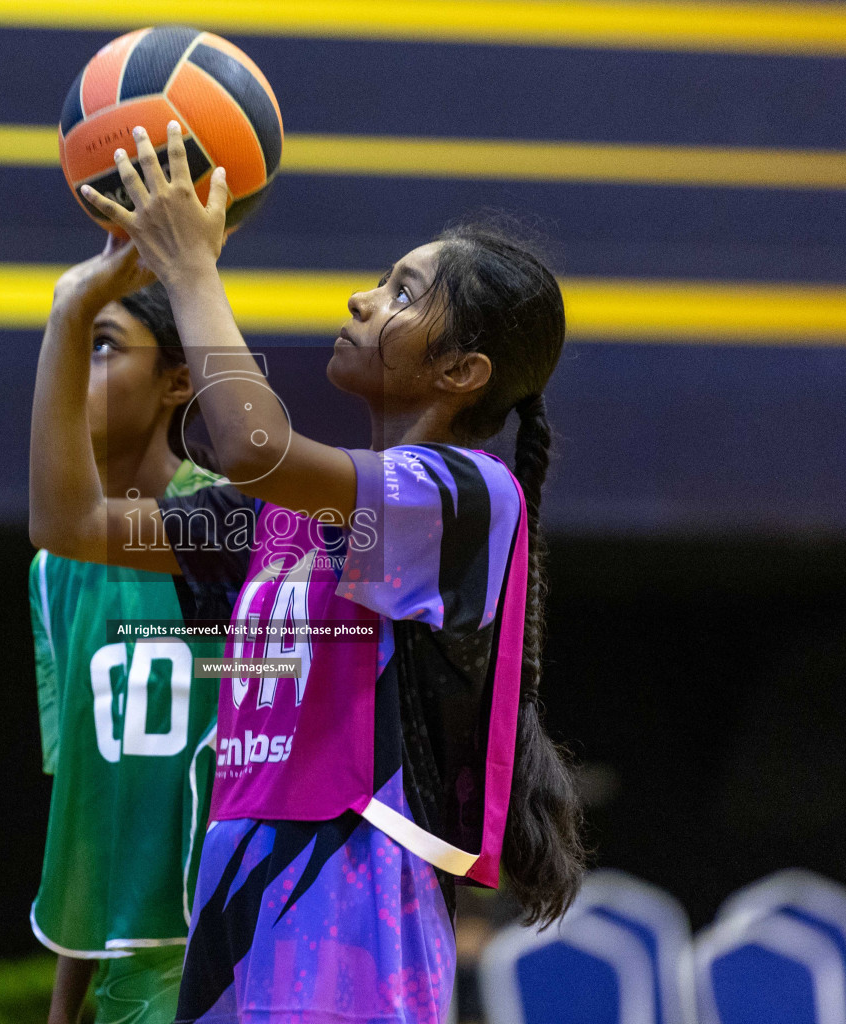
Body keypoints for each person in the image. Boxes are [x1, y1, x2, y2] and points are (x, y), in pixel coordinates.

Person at [31, 120, 585, 1024]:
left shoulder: (463, 496)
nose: (365, 300)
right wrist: (72, 308)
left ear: (462, 369)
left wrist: (191, 272)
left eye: (403, 293)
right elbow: (69, 522)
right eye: (378, 281)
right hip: (234, 900)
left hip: (355, 910)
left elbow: (254, 444)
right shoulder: (278, 515)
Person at [27, 275, 226, 1024]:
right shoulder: (51, 573)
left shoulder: (235, 532)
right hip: (127, 972)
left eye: (102, 346)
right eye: (68, 349)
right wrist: (62, 1008)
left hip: (234, 951)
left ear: (178, 380)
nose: (75, 372)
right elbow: (85, 796)